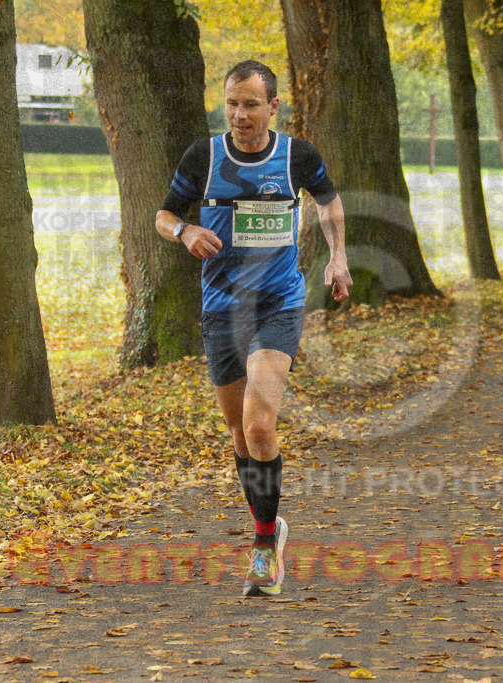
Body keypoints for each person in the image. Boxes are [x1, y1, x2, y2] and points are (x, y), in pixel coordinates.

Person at [155, 60, 352, 597]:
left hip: (278, 305)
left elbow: (329, 201)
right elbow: (164, 214)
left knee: (261, 426)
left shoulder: (297, 156)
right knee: (240, 434)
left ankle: (265, 547)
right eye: (231, 104)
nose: (240, 115)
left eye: (250, 104)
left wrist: (337, 258)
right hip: (221, 307)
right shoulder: (204, 156)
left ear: (273, 107)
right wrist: (185, 230)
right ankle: (271, 526)